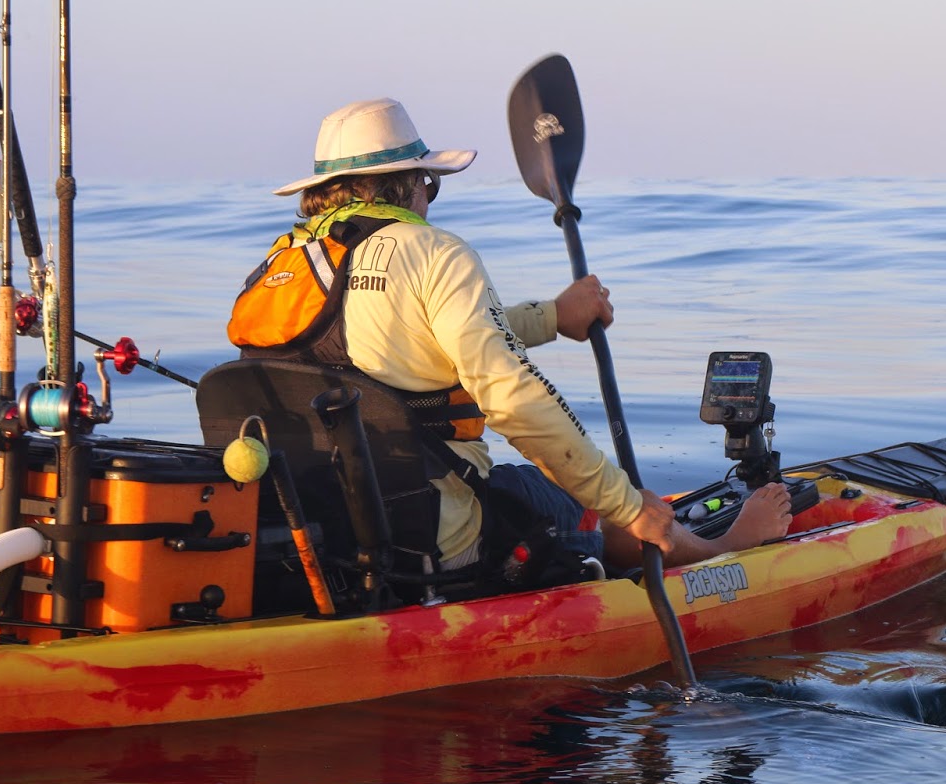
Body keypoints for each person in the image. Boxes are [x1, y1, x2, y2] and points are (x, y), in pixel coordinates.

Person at [241, 96, 791, 580]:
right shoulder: (434, 252)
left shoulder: (281, 264)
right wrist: (624, 503)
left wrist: (553, 315)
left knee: (544, 486)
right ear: (410, 182)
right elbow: (516, 403)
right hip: (431, 537)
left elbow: (411, 339)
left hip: (309, 534)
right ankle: (714, 553)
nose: (429, 199)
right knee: (575, 499)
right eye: (430, 184)